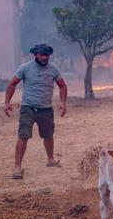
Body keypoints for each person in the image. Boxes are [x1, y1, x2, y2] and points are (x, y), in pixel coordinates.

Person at [4, 43, 68, 179]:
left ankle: (50, 160)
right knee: (23, 136)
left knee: (48, 135)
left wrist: (63, 103)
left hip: (45, 109)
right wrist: (7, 103)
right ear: (35, 55)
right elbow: (12, 84)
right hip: (28, 107)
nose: (45, 58)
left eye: (47, 55)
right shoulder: (25, 68)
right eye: (42, 55)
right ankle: (17, 168)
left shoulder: (53, 69)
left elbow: (62, 86)